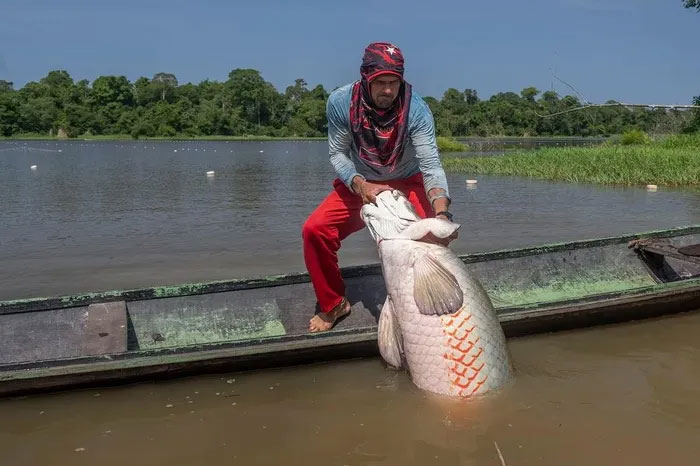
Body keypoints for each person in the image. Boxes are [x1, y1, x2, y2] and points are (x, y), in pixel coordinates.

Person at [303, 42, 455, 332]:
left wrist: (442, 215)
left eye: (393, 82)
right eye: (381, 83)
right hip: (361, 180)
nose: (387, 90)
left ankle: (431, 310)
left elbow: (431, 165)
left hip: (408, 178)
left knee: (433, 242)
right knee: (315, 231)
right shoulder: (340, 103)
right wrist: (360, 185)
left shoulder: (417, 110)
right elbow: (338, 153)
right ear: (366, 78)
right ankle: (335, 304)